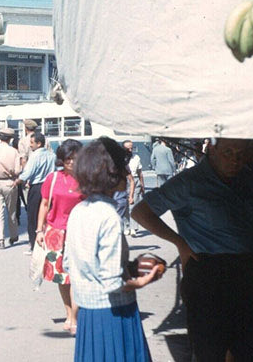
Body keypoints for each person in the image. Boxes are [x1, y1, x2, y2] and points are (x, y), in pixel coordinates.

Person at [131, 138, 253, 361]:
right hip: (208, 274)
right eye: (228, 152)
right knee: (209, 350)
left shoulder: (244, 177)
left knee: (252, 348)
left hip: (247, 272)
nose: (234, 159)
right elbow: (141, 212)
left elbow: (248, 224)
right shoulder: (189, 182)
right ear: (211, 150)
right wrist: (179, 242)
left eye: (239, 153)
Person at [66, 137, 163, 361]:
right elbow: (112, 281)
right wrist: (145, 278)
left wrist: (127, 266)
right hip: (113, 314)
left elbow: (70, 263)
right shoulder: (109, 216)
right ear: (113, 172)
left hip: (89, 314)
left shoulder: (79, 210)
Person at [35, 139, 83, 335]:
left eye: (74, 158)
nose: (71, 162)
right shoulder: (52, 179)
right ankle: (69, 314)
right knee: (61, 278)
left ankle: (76, 318)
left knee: (76, 277)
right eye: (67, 159)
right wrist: (39, 230)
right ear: (62, 160)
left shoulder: (87, 179)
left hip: (78, 233)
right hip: (55, 233)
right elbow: (44, 204)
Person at [13, 132, 55, 254]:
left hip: (37, 187)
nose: (30, 146)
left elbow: (28, 172)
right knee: (47, 215)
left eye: (32, 143)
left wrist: (18, 180)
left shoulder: (35, 156)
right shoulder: (52, 155)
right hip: (50, 186)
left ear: (39, 143)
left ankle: (33, 244)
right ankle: (48, 241)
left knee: (33, 216)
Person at [16, 119, 38, 225]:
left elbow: (23, 160)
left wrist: (26, 177)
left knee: (29, 203)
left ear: (25, 128)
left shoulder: (23, 141)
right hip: (41, 175)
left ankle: (32, 225)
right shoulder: (44, 139)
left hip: (29, 175)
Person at [122, 140, 144, 237]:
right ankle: (126, 226)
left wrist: (143, 186)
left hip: (135, 181)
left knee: (133, 204)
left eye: (132, 148)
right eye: (128, 148)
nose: (130, 150)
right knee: (125, 205)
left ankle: (133, 227)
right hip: (124, 181)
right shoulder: (121, 159)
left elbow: (140, 173)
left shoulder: (136, 158)